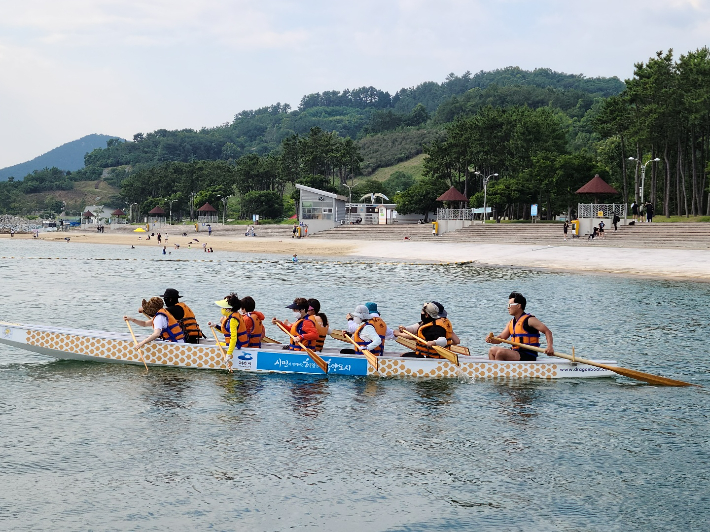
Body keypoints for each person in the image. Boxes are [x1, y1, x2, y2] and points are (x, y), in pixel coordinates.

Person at [485, 292, 554, 361]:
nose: (508, 307)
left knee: (501, 353)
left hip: (528, 354)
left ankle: (499, 370)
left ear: (518, 306)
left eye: (510, 305)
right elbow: (501, 338)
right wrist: (492, 339)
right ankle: (496, 370)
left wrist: (549, 347)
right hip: (516, 352)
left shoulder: (530, 320)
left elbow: (547, 331)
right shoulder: (511, 323)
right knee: (492, 350)